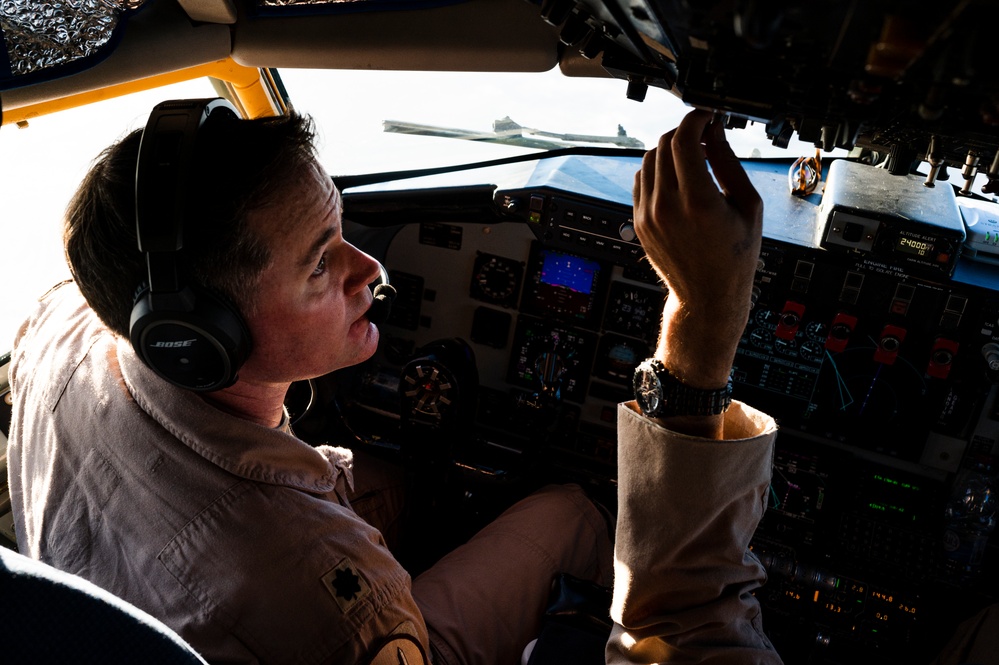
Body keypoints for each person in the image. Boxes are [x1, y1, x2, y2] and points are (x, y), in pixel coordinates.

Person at [7, 97, 785, 665]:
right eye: (321, 262)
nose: (370, 270)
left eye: (341, 227)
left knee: (403, 482)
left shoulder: (64, 317)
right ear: (198, 341)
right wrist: (700, 332)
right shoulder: (332, 608)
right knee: (566, 510)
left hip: (119, 579)